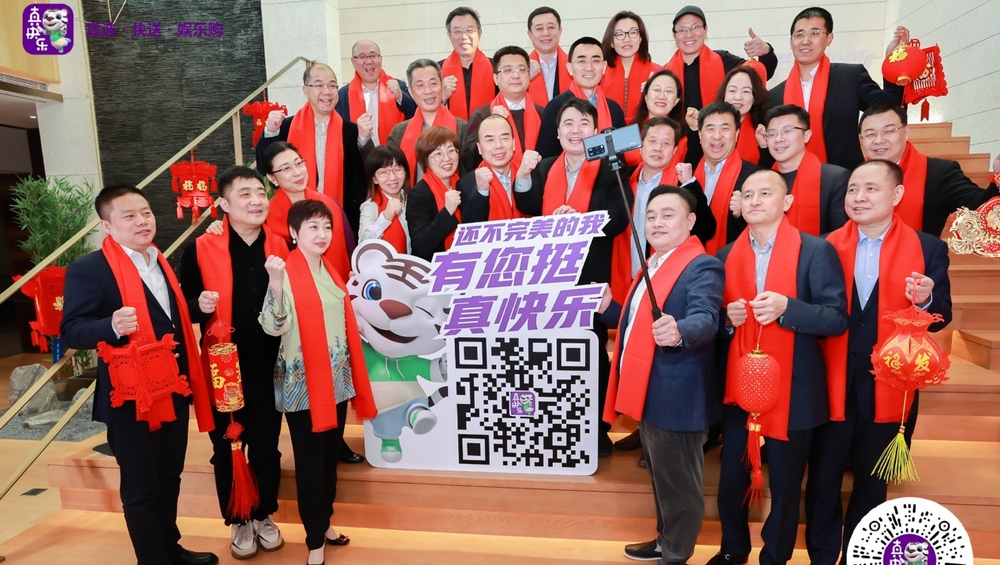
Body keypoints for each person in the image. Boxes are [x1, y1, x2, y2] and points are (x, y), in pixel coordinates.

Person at [805, 159, 953, 565]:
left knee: (872, 484)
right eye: (853, 189)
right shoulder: (823, 245)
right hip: (831, 380)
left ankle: (861, 555)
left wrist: (926, 298)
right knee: (822, 480)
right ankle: (821, 556)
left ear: (897, 194)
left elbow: (943, 313)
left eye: (871, 188)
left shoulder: (928, 248)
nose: (859, 197)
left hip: (889, 386)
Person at [61, 185, 217, 565]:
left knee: (169, 477)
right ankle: (153, 558)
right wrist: (111, 326)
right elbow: (72, 330)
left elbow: (165, 317)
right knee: (140, 488)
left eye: (145, 212)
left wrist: (196, 306)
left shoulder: (159, 260)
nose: (142, 221)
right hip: (131, 397)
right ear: (107, 225)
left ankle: (170, 548)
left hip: (173, 388)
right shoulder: (89, 269)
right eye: (129, 215)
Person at [711, 169, 848, 565]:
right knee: (730, 480)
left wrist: (789, 308)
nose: (754, 201)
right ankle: (733, 549)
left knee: (787, 487)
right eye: (747, 194)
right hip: (741, 386)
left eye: (765, 193)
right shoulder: (725, 255)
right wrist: (727, 320)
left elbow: (836, 318)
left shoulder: (815, 250)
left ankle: (775, 556)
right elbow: (714, 324)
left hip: (795, 386)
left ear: (786, 202)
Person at [601, 185, 725, 564]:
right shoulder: (653, 264)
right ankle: (664, 540)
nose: (657, 222)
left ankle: (675, 554)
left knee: (679, 483)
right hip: (650, 389)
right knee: (661, 477)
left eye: (668, 215)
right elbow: (640, 323)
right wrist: (610, 308)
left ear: (690, 221)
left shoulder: (701, 265)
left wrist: (680, 330)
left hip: (678, 393)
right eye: (651, 216)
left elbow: (706, 317)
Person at [180, 167, 289, 560]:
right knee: (227, 446)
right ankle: (238, 518)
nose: (256, 200)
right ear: (224, 204)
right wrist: (199, 305)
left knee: (267, 447)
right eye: (244, 194)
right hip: (223, 367)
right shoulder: (200, 248)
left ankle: (263, 514)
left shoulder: (281, 244)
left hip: (270, 365)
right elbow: (183, 306)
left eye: (260, 193)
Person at [259, 200, 376, 565]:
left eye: (327, 227)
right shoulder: (285, 271)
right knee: (310, 464)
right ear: (294, 233)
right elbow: (272, 326)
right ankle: (314, 540)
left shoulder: (329, 269)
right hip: (303, 386)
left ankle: (324, 522)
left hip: (336, 379)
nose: (322, 234)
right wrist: (275, 284)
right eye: (313, 227)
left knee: (328, 460)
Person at [520, 98, 631, 456]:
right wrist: (523, 177)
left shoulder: (610, 166)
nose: (575, 130)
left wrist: (580, 222)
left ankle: (597, 429)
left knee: (592, 354)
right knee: (551, 356)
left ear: (595, 130)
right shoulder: (545, 166)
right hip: (547, 279)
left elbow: (620, 216)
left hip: (591, 280)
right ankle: (557, 424)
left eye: (584, 123)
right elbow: (526, 206)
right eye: (568, 123)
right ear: (557, 132)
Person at [768, 7, 908, 170]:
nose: (806, 40)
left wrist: (894, 63)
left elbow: (889, 110)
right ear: (791, 42)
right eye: (799, 34)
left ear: (829, 38)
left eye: (814, 33)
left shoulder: (851, 77)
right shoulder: (774, 96)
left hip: (847, 177)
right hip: (791, 179)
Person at [257, 61, 370, 236]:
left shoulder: (351, 130)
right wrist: (270, 133)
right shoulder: (286, 127)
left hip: (341, 218)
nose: (327, 91)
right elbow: (263, 167)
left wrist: (364, 141)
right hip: (293, 222)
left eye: (332, 85)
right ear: (306, 90)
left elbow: (366, 176)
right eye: (318, 85)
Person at [611, 117, 715, 302]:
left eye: (666, 143)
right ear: (640, 146)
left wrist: (690, 185)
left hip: (669, 278)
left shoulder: (682, 185)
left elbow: (707, 229)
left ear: (674, 150)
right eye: (652, 141)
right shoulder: (621, 180)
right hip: (625, 275)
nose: (658, 148)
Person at [858, 102, 1000, 236]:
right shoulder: (851, 176)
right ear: (861, 139)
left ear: (906, 132)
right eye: (870, 134)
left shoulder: (939, 173)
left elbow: (979, 207)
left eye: (888, 131)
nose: (879, 140)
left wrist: (999, 178)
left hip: (919, 254)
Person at [259, 141, 353, 280]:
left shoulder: (329, 205)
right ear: (272, 178)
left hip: (335, 283)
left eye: (299, 163)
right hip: (292, 287)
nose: (297, 173)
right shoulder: (266, 216)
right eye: (286, 168)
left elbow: (349, 247)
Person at [663, 5, 777, 112]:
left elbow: (761, 75)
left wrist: (766, 53)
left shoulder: (723, 60)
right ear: (675, 35)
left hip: (720, 126)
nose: (689, 34)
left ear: (705, 29)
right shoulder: (666, 73)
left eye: (695, 27)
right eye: (682, 29)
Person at [683, 102, 759, 255]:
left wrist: (743, 215)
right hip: (691, 263)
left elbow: (767, 231)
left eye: (725, 129)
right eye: (710, 129)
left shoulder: (755, 178)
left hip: (736, 262)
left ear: (736, 134)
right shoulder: (686, 177)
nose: (717, 136)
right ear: (700, 135)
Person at [763, 104, 849, 235]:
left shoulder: (835, 178)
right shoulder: (761, 181)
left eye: (787, 131)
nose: (778, 139)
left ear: (806, 136)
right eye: (772, 134)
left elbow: (841, 234)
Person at [536, 36, 627, 159]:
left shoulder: (614, 109)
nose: (589, 68)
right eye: (581, 61)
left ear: (604, 67)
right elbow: (546, 157)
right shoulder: (556, 107)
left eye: (595, 61)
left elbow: (623, 156)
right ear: (570, 68)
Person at [462, 45, 545, 171]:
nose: (516, 75)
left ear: (529, 75)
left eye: (521, 69)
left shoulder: (542, 114)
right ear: (495, 79)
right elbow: (468, 161)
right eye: (507, 70)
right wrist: (492, 123)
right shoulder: (482, 114)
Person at [387, 59, 468, 182]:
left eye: (433, 83)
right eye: (420, 86)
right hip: (413, 194)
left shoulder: (463, 128)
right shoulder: (399, 132)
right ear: (411, 92)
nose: (428, 91)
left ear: (442, 86)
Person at [458, 114, 541, 223]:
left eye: (504, 138)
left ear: (514, 144)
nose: (498, 145)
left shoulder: (531, 173)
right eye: (490, 140)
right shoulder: (467, 183)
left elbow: (537, 211)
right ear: (479, 148)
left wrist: (523, 177)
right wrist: (482, 191)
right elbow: (471, 226)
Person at [335, 39, 417, 146]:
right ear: (353, 62)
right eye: (362, 56)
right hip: (359, 154)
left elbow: (416, 116)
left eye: (373, 55)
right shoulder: (343, 95)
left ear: (381, 59)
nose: (368, 61)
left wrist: (400, 96)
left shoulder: (399, 86)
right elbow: (339, 133)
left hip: (395, 153)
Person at [406, 126, 463, 261]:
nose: (447, 158)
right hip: (434, 267)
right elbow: (420, 246)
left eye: (451, 151)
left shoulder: (464, 185)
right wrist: (447, 212)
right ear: (425, 159)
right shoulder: (418, 194)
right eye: (438, 154)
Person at [601, 11, 662, 124]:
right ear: (611, 42)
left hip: (647, 131)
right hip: (609, 132)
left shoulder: (658, 73)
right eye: (619, 34)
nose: (626, 39)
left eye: (633, 32)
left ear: (640, 38)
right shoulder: (600, 73)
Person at [440, 7, 496, 120]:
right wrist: (442, 97)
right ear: (449, 35)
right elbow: (425, 111)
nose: (464, 36)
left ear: (479, 33)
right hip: (450, 130)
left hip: (489, 129)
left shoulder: (496, 67)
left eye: (470, 30)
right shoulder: (437, 70)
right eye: (457, 31)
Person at [629, 69, 693, 168]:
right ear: (646, 97)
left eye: (669, 91)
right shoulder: (628, 127)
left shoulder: (683, 137)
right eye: (656, 90)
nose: (662, 96)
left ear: (676, 101)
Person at [359, 144, 412, 253]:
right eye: (383, 172)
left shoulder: (413, 198)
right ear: (374, 179)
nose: (392, 177)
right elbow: (364, 245)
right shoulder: (370, 206)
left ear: (405, 172)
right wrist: (385, 217)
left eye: (397, 169)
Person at [714, 66, 770, 165]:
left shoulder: (765, 129)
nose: (738, 97)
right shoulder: (709, 123)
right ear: (724, 94)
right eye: (732, 90)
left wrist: (764, 147)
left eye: (746, 91)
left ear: (755, 97)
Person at [526, 6, 570, 107]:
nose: (546, 33)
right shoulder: (521, 71)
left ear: (560, 30)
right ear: (530, 34)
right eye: (539, 28)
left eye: (551, 27)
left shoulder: (575, 67)